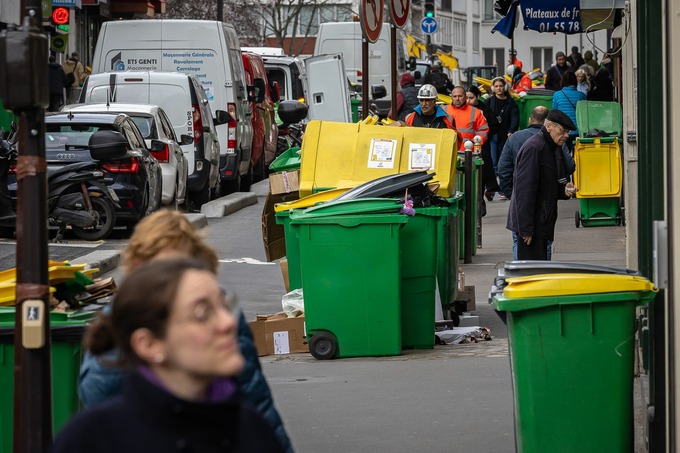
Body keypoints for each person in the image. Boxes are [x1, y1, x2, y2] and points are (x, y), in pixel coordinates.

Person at [77, 210, 293, 452]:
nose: (225, 323)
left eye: (184, 267)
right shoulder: (94, 432)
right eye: (163, 271)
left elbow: (255, 395)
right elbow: (97, 392)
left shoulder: (245, 425)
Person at [497, 106, 575, 259]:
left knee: (539, 270)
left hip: (540, 222)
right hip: (533, 225)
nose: (566, 135)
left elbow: (546, 183)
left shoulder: (550, 146)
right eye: (562, 130)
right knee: (532, 273)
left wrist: (562, 191)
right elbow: (525, 190)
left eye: (568, 132)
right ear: (548, 127)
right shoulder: (536, 148)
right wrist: (526, 228)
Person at [484, 77, 518, 198]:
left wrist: (511, 131)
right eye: (496, 86)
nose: (499, 88)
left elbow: (515, 118)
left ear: (505, 87)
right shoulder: (489, 102)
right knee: (492, 162)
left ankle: (503, 190)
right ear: (493, 88)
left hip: (505, 136)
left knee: (503, 164)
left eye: (500, 86)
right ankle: (491, 189)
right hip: (492, 136)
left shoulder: (510, 102)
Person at [466, 86, 501, 203]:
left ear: (478, 97)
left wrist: (484, 136)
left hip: (482, 145)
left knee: (483, 169)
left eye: (471, 98)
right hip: (465, 146)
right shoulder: (462, 110)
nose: (468, 101)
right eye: (466, 98)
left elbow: (494, 125)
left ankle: (483, 195)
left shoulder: (484, 110)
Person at [551, 70, 586, 151]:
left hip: (562, 131)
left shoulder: (557, 95)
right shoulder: (582, 96)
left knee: (563, 155)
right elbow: (585, 115)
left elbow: (554, 114)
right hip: (577, 131)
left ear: (563, 81)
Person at [446, 86, 489, 151]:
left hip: (468, 152)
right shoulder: (444, 110)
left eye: (460, 96)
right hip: (447, 150)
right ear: (451, 97)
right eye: (455, 96)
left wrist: (473, 143)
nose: (457, 99)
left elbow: (483, 131)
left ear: (465, 97)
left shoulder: (475, 112)